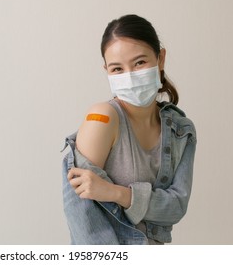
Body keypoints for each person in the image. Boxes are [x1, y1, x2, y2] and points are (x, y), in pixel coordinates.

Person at [61, 14, 197, 245]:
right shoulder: (102, 118)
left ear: (160, 58)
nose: (130, 76)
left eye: (140, 63)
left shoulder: (181, 131)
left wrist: (116, 193)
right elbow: (83, 217)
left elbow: (176, 208)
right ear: (106, 70)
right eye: (117, 69)